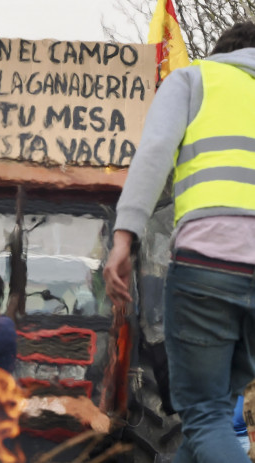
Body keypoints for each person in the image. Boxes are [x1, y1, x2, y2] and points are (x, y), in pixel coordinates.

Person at [103, 22, 255, 463]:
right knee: (205, 422)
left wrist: (123, 237)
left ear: (219, 53)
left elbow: (153, 154)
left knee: (205, 417)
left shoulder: (194, 78)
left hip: (209, 266)